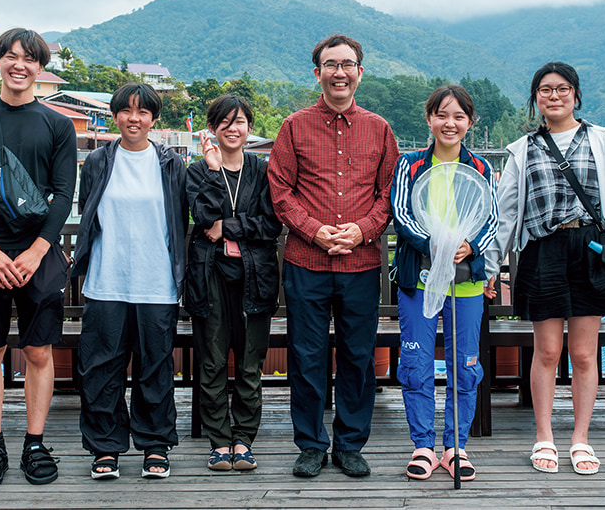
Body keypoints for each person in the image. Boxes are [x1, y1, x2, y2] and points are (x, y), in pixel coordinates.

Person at [486, 62, 605, 476]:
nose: (554, 96)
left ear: (576, 95)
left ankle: (580, 438)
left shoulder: (602, 140)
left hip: (589, 248)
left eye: (562, 89)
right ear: (535, 99)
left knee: (584, 353)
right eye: (545, 90)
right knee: (546, 351)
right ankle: (543, 436)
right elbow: (507, 214)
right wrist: (491, 264)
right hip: (542, 251)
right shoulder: (521, 149)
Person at [267, 35, 399, 478]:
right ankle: (310, 444)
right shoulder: (293, 126)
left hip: (360, 264)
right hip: (307, 262)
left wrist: (362, 230)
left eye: (347, 64)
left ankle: (349, 443)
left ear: (360, 72)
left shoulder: (380, 128)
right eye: (330, 64)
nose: (338, 72)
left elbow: (389, 194)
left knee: (358, 356)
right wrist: (316, 231)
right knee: (306, 356)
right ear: (317, 73)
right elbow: (280, 192)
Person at [0, 27, 77, 488]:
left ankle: (35, 443)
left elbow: (65, 192)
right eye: (10, 56)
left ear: (40, 67)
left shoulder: (58, 125)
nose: (18, 64)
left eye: (28, 58)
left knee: (39, 350)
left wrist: (37, 251)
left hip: (39, 254)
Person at [72, 83, 187, 480]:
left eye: (142, 112)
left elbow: (182, 219)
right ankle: (105, 447)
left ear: (154, 119)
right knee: (101, 368)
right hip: (107, 281)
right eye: (126, 111)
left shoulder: (170, 164)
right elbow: (89, 213)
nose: (133, 118)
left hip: (158, 283)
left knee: (155, 367)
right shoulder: (100, 161)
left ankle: (155, 445)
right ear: (115, 116)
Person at [390, 85, 497, 481]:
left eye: (458, 117)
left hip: (466, 282)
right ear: (429, 118)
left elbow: (491, 218)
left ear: (470, 122)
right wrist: (435, 244)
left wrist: (469, 246)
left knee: (465, 365)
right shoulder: (410, 165)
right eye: (442, 115)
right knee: (416, 361)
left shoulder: (481, 168)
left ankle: (456, 446)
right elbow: (402, 213)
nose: (449, 123)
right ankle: (422, 444)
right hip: (417, 279)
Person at [185, 95, 283, 472]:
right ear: (212, 129)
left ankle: (244, 440)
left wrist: (228, 226)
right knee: (211, 361)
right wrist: (212, 170)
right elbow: (202, 215)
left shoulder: (261, 171)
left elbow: (271, 224)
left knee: (249, 363)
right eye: (224, 122)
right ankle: (219, 442)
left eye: (239, 121)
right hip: (209, 277)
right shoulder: (197, 171)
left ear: (248, 127)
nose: (232, 128)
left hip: (254, 278)